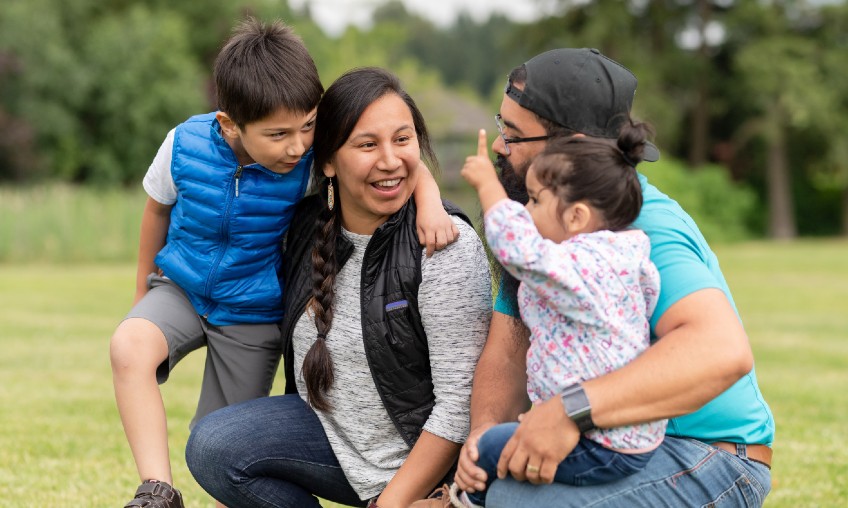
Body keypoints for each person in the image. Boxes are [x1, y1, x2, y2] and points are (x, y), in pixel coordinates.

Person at [110, 19, 456, 508]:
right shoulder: (183, 145)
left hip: (251, 312)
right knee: (129, 345)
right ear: (230, 124)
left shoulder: (306, 159)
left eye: (308, 126)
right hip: (182, 288)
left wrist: (434, 203)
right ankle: (157, 491)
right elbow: (156, 209)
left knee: (217, 439)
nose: (296, 146)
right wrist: (143, 291)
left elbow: (395, 159)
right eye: (277, 134)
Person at [443, 48, 775, 507]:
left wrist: (570, 411)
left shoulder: (644, 224)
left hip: (709, 456)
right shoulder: (539, 222)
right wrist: (481, 447)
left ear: (571, 146)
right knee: (500, 491)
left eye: (513, 135)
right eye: (501, 127)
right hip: (606, 444)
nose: (500, 146)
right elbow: (507, 352)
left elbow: (722, 352)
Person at [184, 67, 492, 508]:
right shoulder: (304, 227)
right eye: (367, 144)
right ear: (327, 160)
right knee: (214, 446)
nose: (389, 160)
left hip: (416, 461)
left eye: (402, 140)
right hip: (334, 442)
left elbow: (458, 407)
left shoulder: (442, 245)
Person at [441, 121, 666, 508]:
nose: (525, 211)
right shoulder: (622, 256)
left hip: (600, 443)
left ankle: (466, 500)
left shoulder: (585, 264)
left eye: (534, 200)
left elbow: (521, 250)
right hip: (621, 435)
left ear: (577, 218)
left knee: (486, 447)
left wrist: (489, 188)